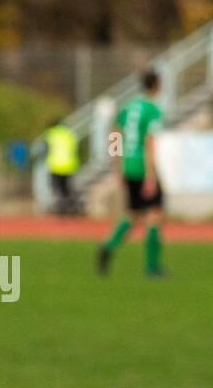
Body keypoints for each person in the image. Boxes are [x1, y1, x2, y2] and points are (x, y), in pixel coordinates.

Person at [97, 70, 167, 277]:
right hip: (144, 169)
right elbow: (149, 143)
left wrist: (117, 166)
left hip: (127, 167)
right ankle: (152, 267)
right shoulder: (152, 110)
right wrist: (151, 177)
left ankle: (109, 245)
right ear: (157, 86)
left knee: (135, 215)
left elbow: (114, 134)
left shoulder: (128, 107)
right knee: (155, 215)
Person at [43, 118, 80, 215]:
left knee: (57, 189)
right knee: (67, 189)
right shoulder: (70, 133)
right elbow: (75, 147)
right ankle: (71, 207)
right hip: (69, 165)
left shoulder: (51, 134)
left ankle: (61, 208)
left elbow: (46, 148)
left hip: (56, 165)